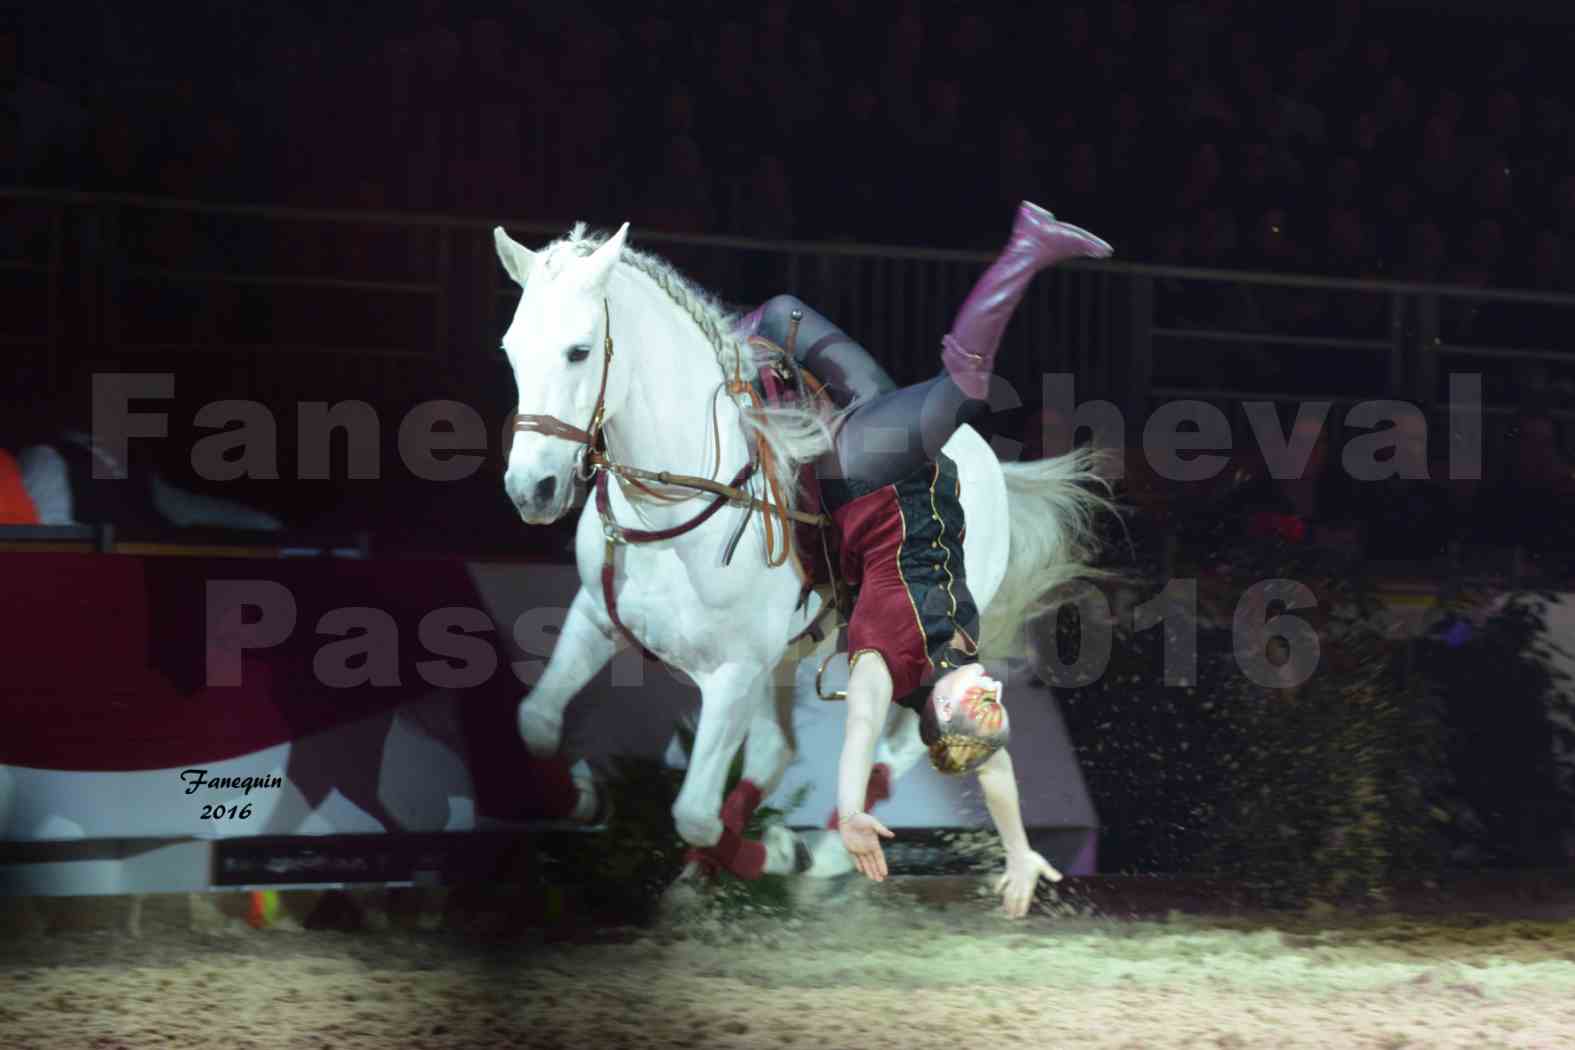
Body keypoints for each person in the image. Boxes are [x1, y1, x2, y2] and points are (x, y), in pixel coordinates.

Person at [736, 201, 1111, 917]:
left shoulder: (887, 662)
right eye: (985, 700)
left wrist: (849, 811)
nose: (985, 693)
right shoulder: (960, 661)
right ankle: (754, 333)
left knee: (963, 384)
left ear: (941, 709)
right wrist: (1016, 849)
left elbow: (856, 735)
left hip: (873, 471)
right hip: (885, 448)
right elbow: (996, 768)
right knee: (785, 317)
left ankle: (1028, 244)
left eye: (972, 705)